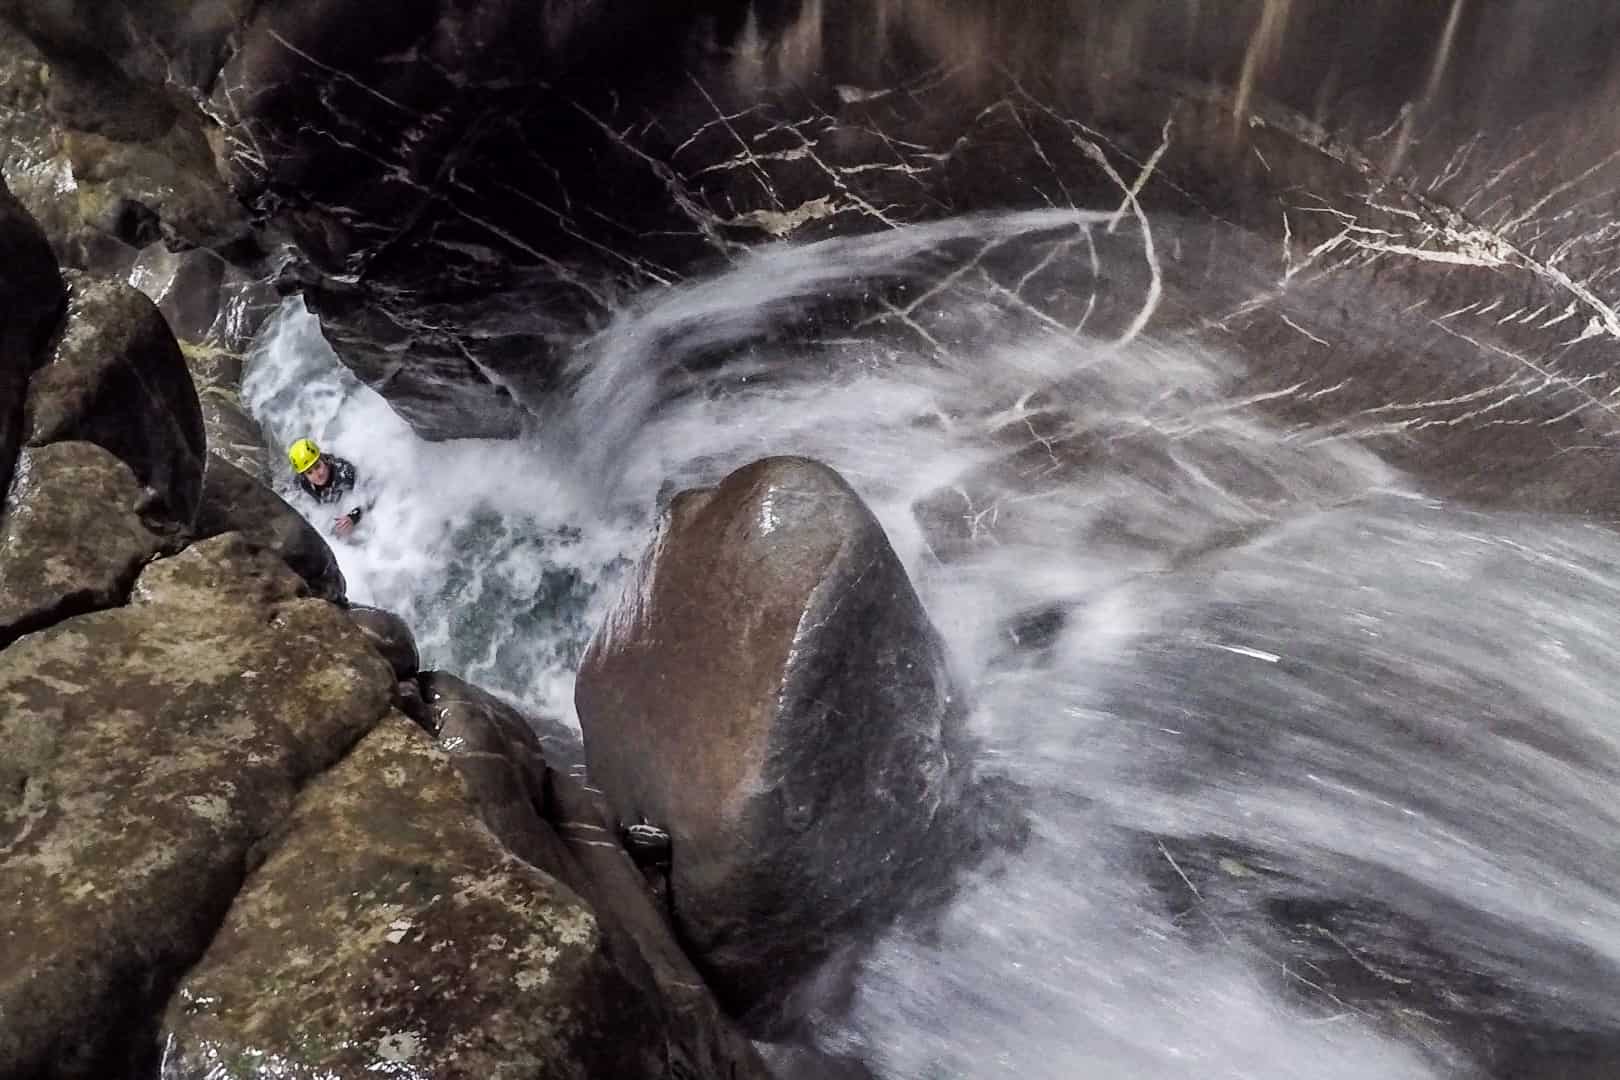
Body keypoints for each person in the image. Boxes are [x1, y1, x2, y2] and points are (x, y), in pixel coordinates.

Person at [287, 437, 367, 537]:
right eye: (309, 472)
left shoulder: (344, 472)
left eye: (317, 466)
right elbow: (290, 497)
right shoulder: (303, 483)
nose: (317, 475)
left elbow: (369, 494)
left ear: (324, 460)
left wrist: (353, 517)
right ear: (304, 476)